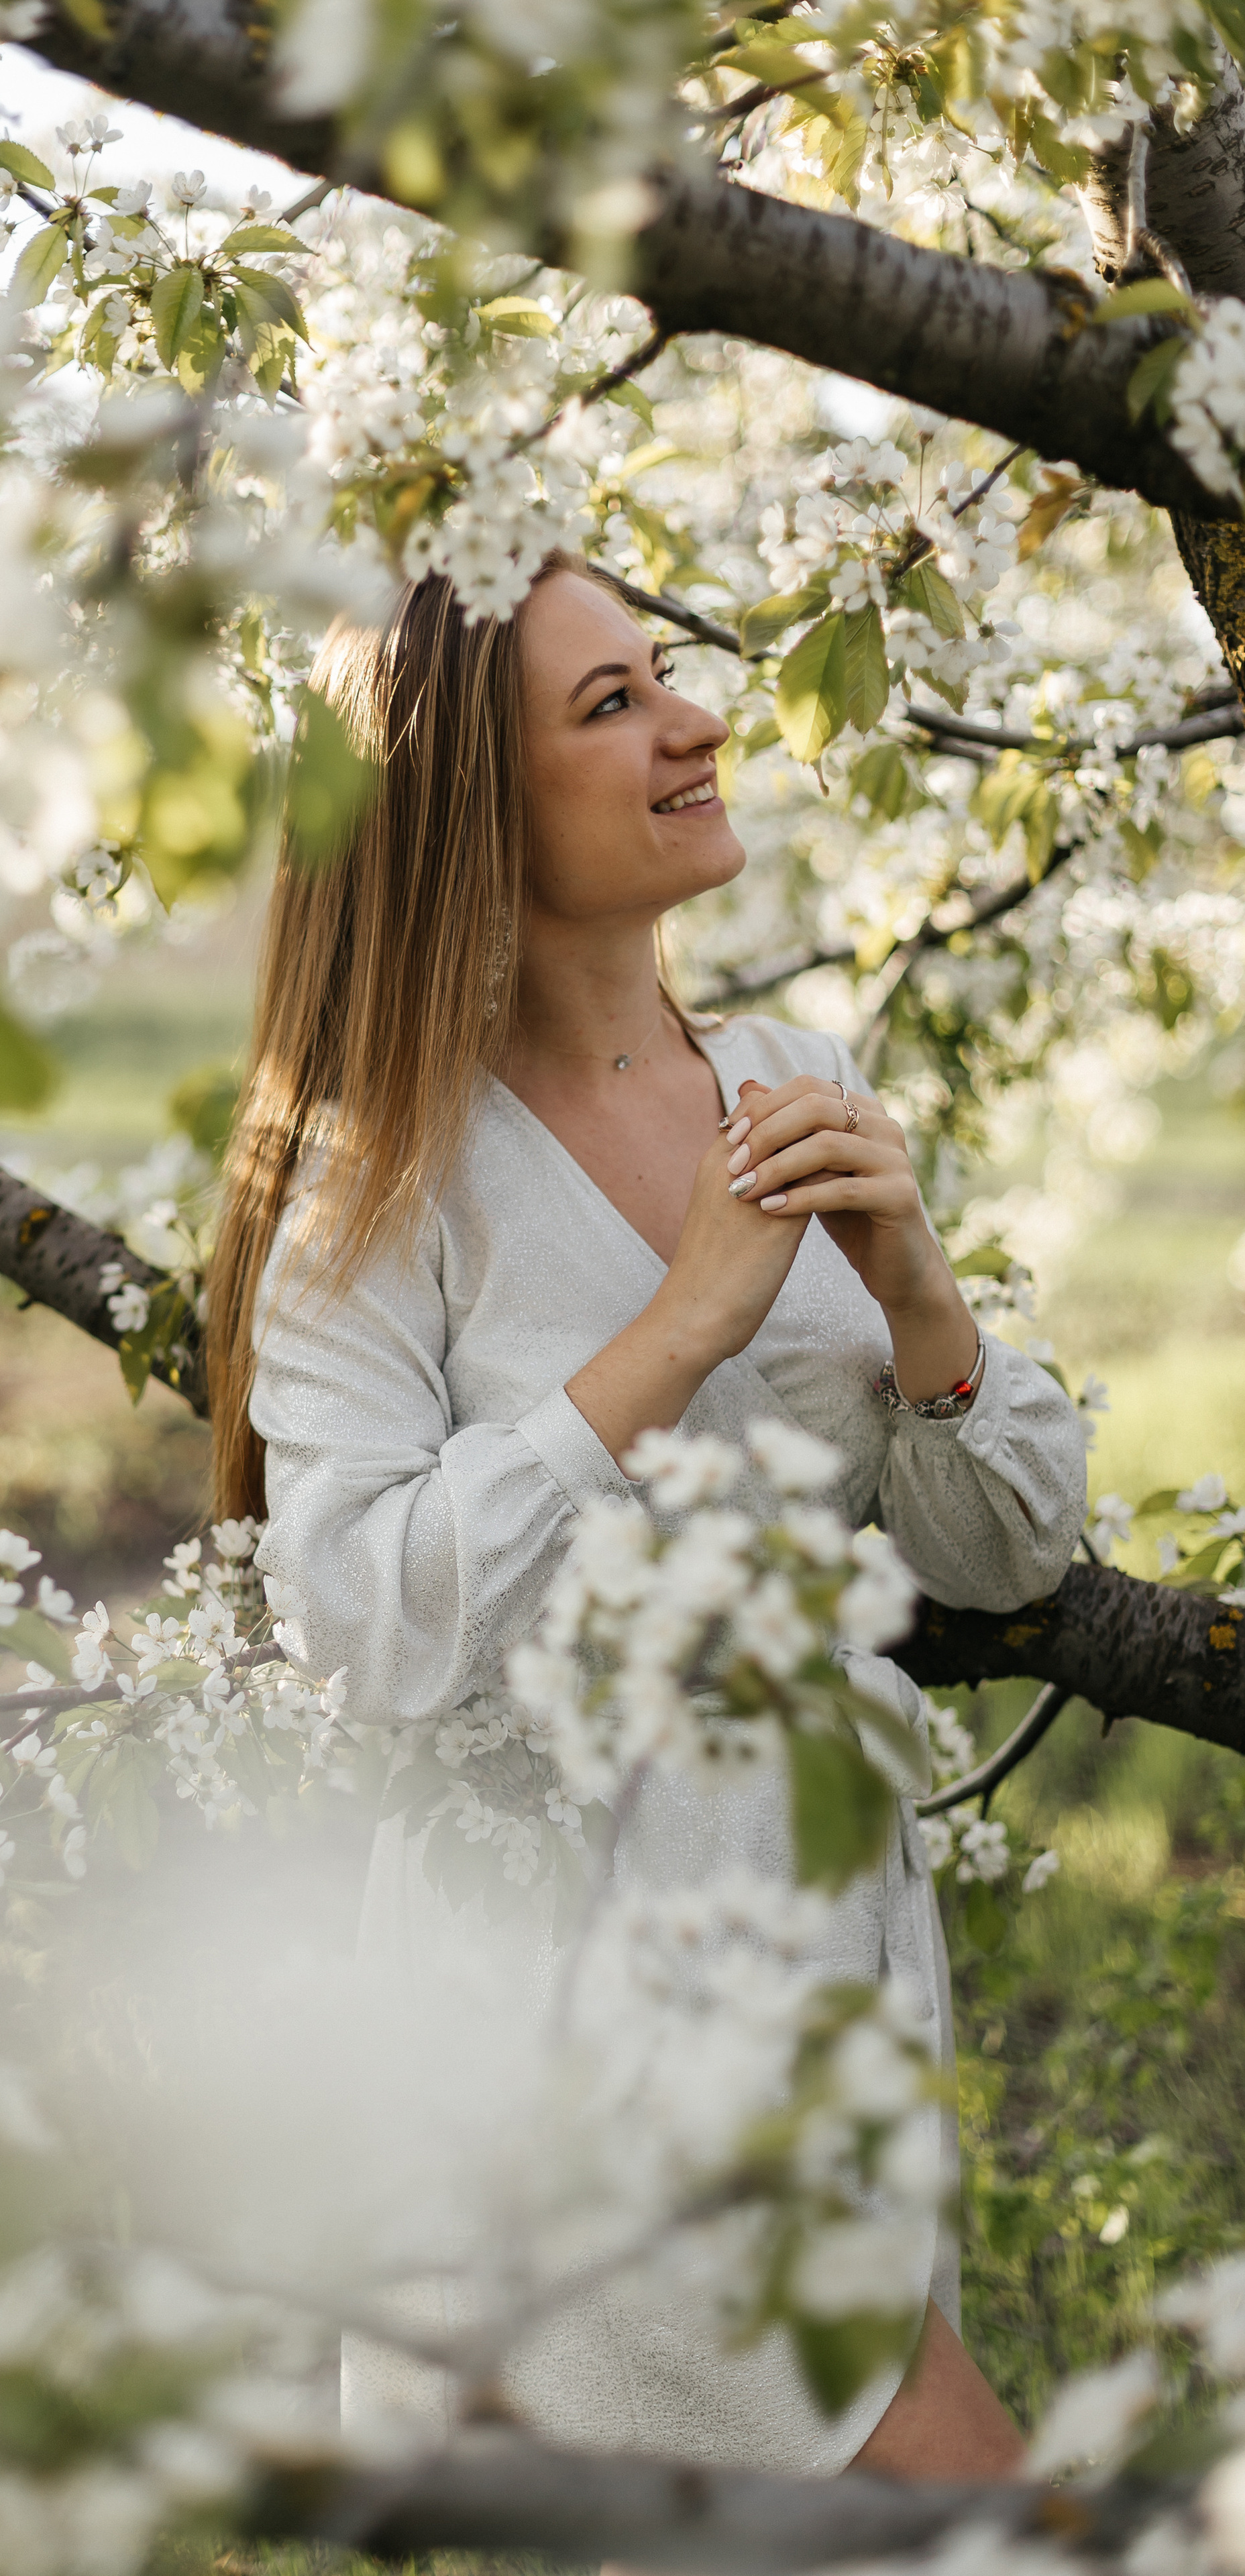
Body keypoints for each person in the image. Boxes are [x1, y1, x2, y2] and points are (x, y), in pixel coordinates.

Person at [204, 551, 1088, 2481]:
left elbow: (1004, 1555)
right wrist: (675, 1333)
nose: (697, 723)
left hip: (832, 1972)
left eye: (666, 675)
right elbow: (359, 1617)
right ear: (470, 810)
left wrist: (923, 1305)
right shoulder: (383, 1178)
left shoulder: (788, 1083)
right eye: (613, 704)